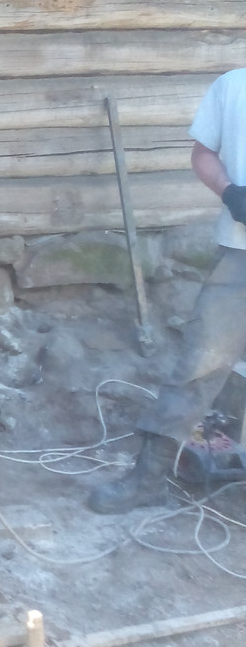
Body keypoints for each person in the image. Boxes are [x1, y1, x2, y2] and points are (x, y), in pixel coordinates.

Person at [89, 66, 246, 514]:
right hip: (240, 256)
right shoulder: (233, 86)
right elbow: (203, 154)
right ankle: (147, 480)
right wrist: (231, 193)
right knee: (198, 364)